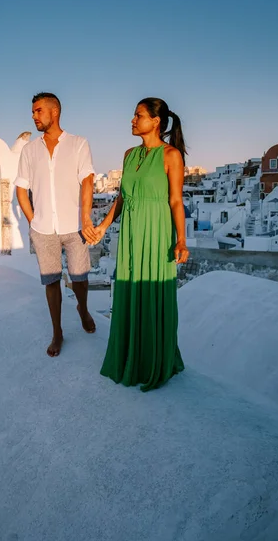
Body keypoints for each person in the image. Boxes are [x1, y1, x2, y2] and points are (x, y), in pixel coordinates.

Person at [95, 97, 189, 391]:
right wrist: (103, 226)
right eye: (133, 115)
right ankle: (129, 356)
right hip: (132, 230)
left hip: (157, 229)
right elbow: (122, 198)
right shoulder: (128, 155)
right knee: (129, 287)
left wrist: (182, 239)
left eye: (138, 116)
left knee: (151, 290)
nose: (132, 121)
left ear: (156, 121)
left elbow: (175, 200)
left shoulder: (171, 155)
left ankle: (154, 360)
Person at [15, 92, 98, 357]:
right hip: (43, 229)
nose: (33, 116)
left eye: (38, 111)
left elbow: (87, 181)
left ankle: (83, 310)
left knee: (80, 278)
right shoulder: (30, 150)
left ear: (55, 112)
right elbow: (21, 189)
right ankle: (57, 332)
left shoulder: (78, 144)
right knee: (51, 281)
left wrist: (85, 218)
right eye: (32, 111)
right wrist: (33, 221)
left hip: (74, 226)